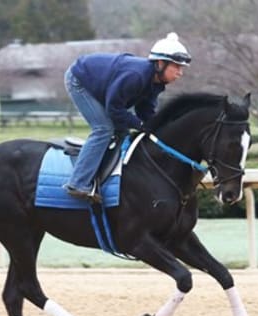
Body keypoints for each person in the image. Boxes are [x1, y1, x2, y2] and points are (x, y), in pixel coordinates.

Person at [63, 32, 192, 202]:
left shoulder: (157, 83)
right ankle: (78, 183)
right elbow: (114, 109)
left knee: (122, 132)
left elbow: (145, 111)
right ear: (160, 63)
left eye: (181, 68)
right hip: (79, 79)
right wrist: (139, 124)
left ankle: (103, 177)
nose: (180, 73)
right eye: (176, 67)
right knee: (104, 129)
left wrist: (156, 127)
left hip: (102, 86)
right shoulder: (136, 76)